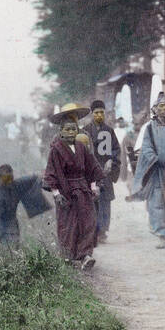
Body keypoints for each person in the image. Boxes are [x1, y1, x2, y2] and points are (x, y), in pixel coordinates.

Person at [42, 104, 106, 270]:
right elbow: (51, 172)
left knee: (88, 221)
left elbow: (92, 168)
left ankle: (85, 256)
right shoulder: (56, 150)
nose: (71, 132)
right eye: (67, 130)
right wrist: (56, 193)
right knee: (68, 225)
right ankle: (67, 256)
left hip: (83, 190)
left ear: (78, 130)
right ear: (61, 131)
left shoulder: (82, 147)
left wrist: (94, 187)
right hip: (66, 192)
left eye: (74, 129)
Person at [131, 93, 165, 247]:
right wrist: (155, 158)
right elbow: (146, 147)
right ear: (155, 109)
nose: (164, 109)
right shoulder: (150, 128)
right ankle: (161, 235)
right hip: (156, 171)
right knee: (157, 204)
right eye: (161, 106)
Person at [0, 163, 49, 245]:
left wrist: (44, 176)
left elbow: (33, 179)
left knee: (13, 246)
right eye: (5, 179)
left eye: (10, 178)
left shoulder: (16, 185)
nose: (8, 182)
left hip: (12, 223)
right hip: (0, 224)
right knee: (4, 248)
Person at [82, 99, 121, 244]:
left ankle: (103, 231)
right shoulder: (85, 131)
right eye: (96, 113)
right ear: (92, 114)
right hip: (90, 172)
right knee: (92, 201)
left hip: (105, 172)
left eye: (101, 113)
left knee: (105, 201)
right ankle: (94, 230)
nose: (99, 115)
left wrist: (112, 160)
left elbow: (116, 149)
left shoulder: (109, 131)